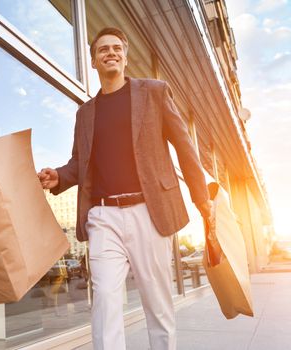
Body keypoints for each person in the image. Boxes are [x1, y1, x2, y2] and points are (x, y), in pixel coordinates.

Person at [37, 27, 212, 350]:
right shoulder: (85, 113)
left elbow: (185, 148)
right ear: (93, 62)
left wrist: (203, 201)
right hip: (103, 216)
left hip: (149, 211)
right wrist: (59, 177)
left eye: (117, 48)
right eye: (103, 49)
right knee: (104, 299)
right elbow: (80, 163)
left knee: (157, 302)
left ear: (126, 55)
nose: (111, 53)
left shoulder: (154, 92)